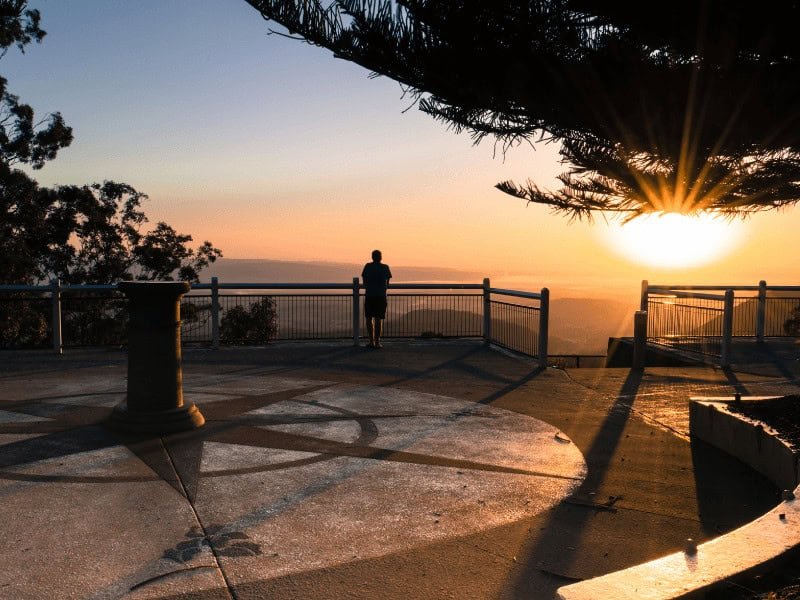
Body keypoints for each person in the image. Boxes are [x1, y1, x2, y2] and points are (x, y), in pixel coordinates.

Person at [361, 249, 392, 348]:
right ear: (380, 257)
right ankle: (378, 342)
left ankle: (371, 341)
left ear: (372, 257)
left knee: (369, 318)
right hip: (381, 296)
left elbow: (364, 281)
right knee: (379, 319)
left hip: (370, 295)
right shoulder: (385, 267)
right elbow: (387, 283)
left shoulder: (367, 266)